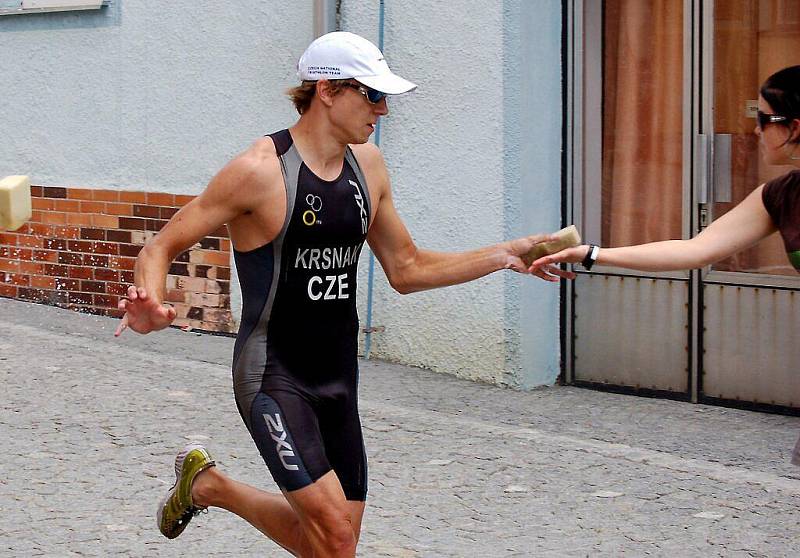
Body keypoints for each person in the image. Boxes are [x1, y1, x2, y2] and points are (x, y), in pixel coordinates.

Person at [115, 31, 567, 557]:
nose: (384, 110)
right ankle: (209, 486)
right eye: (373, 96)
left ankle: (208, 487)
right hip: (273, 376)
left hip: (337, 377)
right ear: (327, 90)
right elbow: (162, 245)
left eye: (385, 98)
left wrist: (506, 255)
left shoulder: (367, 166)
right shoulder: (260, 171)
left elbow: (407, 267)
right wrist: (150, 302)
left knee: (332, 542)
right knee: (333, 537)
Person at [532, 65, 800, 461]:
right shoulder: (781, 195)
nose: (756, 130)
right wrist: (591, 254)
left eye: (763, 119)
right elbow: (695, 250)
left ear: (793, 127)